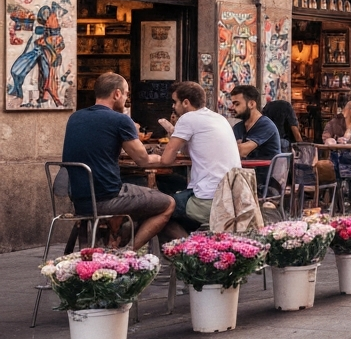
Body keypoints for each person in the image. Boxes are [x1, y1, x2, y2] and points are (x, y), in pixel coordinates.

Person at [61, 72, 176, 250]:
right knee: (168, 203)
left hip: (80, 200)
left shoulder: (75, 117)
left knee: (133, 192)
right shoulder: (120, 120)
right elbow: (143, 161)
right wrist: (162, 158)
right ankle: (127, 252)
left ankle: (111, 243)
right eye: (126, 94)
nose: (126, 99)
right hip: (107, 199)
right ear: (116, 94)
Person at [158, 81, 242, 227]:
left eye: (174, 102)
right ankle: (188, 244)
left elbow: (166, 160)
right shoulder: (219, 118)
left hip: (208, 199)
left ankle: (132, 246)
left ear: (185, 102)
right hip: (232, 195)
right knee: (173, 190)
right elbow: (192, 150)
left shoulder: (188, 118)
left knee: (158, 210)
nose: (173, 106)